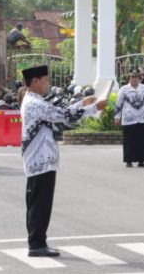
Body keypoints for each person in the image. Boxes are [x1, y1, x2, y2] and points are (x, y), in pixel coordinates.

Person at [19, 65, 107, 257]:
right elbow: (62, 116)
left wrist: (82, 103)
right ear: (35, 81)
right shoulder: (35, 103)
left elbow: (58, 111)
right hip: (40, 160)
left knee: (37, 202)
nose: (47, 85)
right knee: (40, 203)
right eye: (45, 81)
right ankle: (37, 244)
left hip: (39, 159)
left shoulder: (34, 100)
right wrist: (94, 108)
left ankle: (37, 242)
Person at [114, 70, 144, 168]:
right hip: (129, 118)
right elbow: (118, 105)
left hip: (143, 118)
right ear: (129, 78)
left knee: (142, 141)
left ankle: (142, 160)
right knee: (129, 141)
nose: (134, 79)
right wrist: (117, 117)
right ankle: (129, 160)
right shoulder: (124, 89)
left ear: (139, 78)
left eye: (136, 77)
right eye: (132, 77)